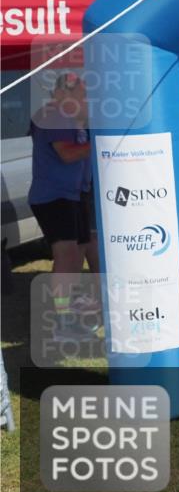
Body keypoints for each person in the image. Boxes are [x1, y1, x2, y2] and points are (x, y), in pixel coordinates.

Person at [28, 73, 96, 341]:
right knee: (66, 256)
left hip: (74, 195)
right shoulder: (51, 115)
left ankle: (67, 315)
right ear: (62, 94)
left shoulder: (71, 118)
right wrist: (101, 142)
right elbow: (67, 154)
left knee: (76, 255)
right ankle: (61, 322)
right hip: (53, 197)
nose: (85, 99)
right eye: (81, 93)